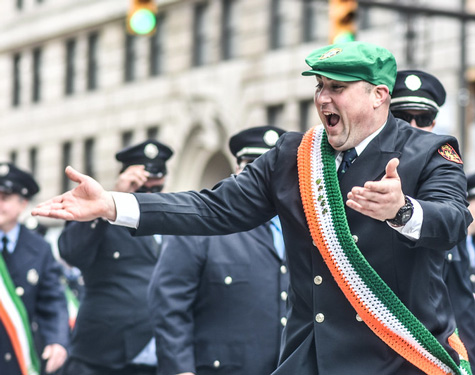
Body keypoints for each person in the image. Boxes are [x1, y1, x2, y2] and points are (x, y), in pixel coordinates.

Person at [32, 41, 473, 375]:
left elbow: (453, 221)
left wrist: (403, 211)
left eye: (337, 88)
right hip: (312, 357)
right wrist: (112, 204)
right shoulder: (294, 155)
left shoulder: (430, 152)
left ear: (379, 95)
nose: (323, 100)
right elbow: (214, 209)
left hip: (398, 355)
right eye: (320, 86)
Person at [148, 126, 289, 375]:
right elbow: (170, 302)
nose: (266, 176)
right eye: (254, 167)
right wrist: (179, 369)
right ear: (238, 170)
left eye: (274, 167)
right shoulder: (203, 227)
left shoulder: (303, 225)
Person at [58, 140, 173, 375]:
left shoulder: (169, 219)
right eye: (142, 190)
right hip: (104, 358)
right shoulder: (101, 216)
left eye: (156, 190)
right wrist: (113, 200)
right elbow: (71, 252)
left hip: (161, 357)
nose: (149, 197)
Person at [391, 69, 475, 366]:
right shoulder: (369, 183)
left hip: (443, 351)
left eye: (423, 118)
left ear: (434, 122)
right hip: (388, 349)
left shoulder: (447, 189)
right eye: (401, 116)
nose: (414, 126)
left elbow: (460, 294)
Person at [0, 163, 69, 375]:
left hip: (20, 355)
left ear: (23, 204)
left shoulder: (39, 248)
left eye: (5, 198)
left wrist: (57, 340)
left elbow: (53, 300)